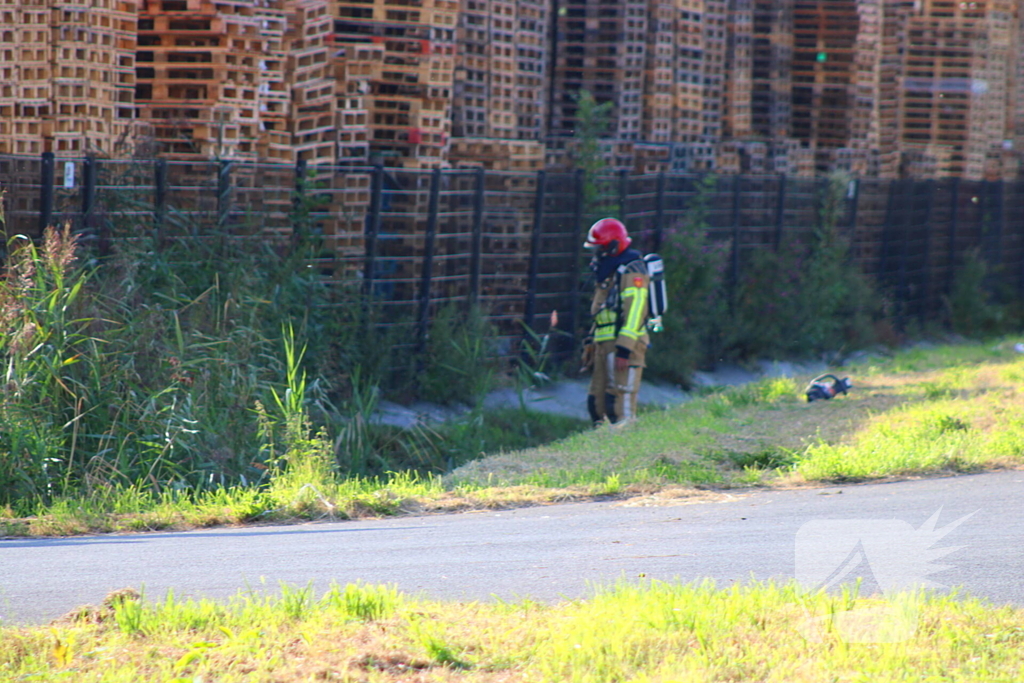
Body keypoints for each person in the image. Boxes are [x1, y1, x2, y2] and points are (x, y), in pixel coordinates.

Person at [582, 217, 650, 425]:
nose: (597, 254)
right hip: (604, 344)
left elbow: (635, 311)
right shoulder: (611, 270)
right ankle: (602, 452)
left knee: (620, 403)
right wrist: (592, 342)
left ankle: (628, 452)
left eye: (600, 248)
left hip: (623, 346)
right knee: (598, 403)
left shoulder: (632, 270)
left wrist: (624, 349)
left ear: (612, 246)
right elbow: (602, 310)